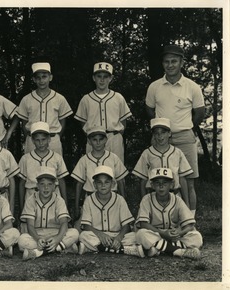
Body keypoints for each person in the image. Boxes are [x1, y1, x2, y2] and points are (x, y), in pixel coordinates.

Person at [145, 44, 205, 216]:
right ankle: (159, 218)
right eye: (166, 62)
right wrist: (161, 127)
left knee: (189, 182)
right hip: (160, 137)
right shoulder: (154, 86)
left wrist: (185, 127)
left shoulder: (192, 86)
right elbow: (149, 109)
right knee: (157, 180)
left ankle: (190, 220)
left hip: (185, 137)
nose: (170, 65)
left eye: (174, 61)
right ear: (162, 64)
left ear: (181, 63)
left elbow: (200, 112)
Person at [135, 168, 202, 259]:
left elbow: (189, 225)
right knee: (141, 234)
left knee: (197, 237)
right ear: (152, 185)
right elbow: (143, 224)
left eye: (165, 183)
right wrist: (163, 234)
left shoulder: (177, 200)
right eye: (157, 183)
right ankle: (178, 251)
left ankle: (159, 248)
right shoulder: (147, 199)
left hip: (173, 235)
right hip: (156, 233)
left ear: (171, 185)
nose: (161, 186)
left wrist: (179, 232)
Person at [78, 166, 144, 258]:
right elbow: (86, 226)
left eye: (107, 182)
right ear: (94, 184)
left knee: (135, 236)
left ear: (113, 184)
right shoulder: (89, 200)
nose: (103, 185)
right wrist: (100, 234)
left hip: (117, 234)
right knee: (83, 235)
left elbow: (126, 226)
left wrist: (119, 237)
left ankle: (94, 248)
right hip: (97, 236)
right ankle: (123, 250)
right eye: (99, 182)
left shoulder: (120, 199)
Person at [74, 62, 132, 162]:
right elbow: (83, 122)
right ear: (93, 78)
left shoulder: (118, 97)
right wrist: (91, 136)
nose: (102, 80)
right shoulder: (86, 99)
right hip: (93, 139)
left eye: (105, 76)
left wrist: (115, 135)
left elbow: (123, 122)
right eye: (99, 76)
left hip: (113, 138)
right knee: (93, 170)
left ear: (111, 78)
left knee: (116, 172)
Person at [18, 167, 79, 260]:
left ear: (55, 186)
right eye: (42, 184)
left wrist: (58, 238)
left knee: (74, 233)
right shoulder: (31, 200)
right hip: (37, 233)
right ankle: (62, 247)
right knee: (22, 240)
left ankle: (39, 252)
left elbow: (64, 223)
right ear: (37, 185)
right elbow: (30, 226)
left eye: (50, 184)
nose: (46, 188)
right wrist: (37, 238)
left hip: (55, 232)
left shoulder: (59, 200)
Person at [71, 126, 128, 221]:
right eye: (94, 140)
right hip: (90, 198)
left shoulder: (113, 158)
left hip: (111, 198)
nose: (98, 143)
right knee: (83, 229)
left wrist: (123, 203)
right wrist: (77, 206)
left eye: (101, 139)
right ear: (89, 141)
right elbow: (79, 184)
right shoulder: (84, 160)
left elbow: (121, 181)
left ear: (106, 140)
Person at [132, 118, 193, 206]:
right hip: (153, 196)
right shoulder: (147, 153)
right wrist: (143, 203)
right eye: (157, 133)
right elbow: (143, 180)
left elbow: (182, 179)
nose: (160, 136)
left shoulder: (177, 152)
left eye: (163, 132)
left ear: (169, 133)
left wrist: (186, 203)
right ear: (153, 135)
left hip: (174, 195)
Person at [17, 62, 73, 155]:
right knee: (31, 167)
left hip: (53, 139)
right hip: (33, 140)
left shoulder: (59, 98)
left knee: (55, 168)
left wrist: (57, 136)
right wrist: (30, 137)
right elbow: (24, 122)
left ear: (50, 77)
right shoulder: (26, 99)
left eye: (44, 76)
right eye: (38, 78)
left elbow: (63, 121)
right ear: (34, 79)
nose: (41, 80)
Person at [18, 121, 69, 212]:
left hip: (53, 196)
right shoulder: (25, 159)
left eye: (43, 139)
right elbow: (22, 183)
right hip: (32, 196)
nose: (41, 143)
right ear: (32, 140)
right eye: (37, 140)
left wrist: (65, 206)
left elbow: (61, 181)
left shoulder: (57, 157)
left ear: (49, 139)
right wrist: (22, 208)